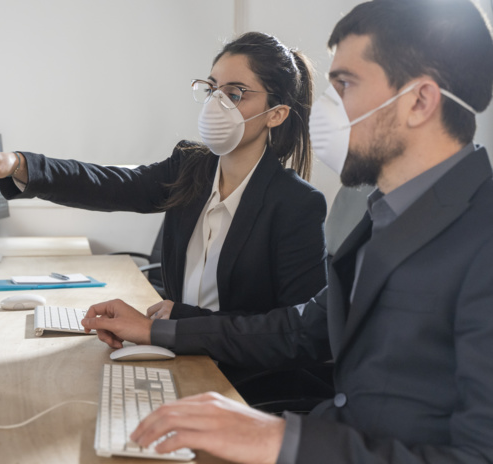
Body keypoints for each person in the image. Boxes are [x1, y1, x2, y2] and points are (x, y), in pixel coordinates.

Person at [79, 0, 493, 462]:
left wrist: (279, 439)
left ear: (419, 101)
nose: (325, 110)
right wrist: (160, 331)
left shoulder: (481, 236)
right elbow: (298, 329)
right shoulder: (387, 213)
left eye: (346, 85)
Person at [0, 33, 328, 391]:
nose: (216, 103)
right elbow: (107, 182)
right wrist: (14, 163)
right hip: (184, 359)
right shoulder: (190, 168)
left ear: (276, 114)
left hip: (242, 383)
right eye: (212, 88)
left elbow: (291, 335)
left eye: (236, 93)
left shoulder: (296, 205)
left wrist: (175, 325)